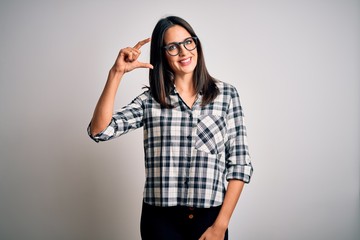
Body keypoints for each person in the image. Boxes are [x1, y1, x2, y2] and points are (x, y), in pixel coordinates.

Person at [88, 16, 253, 240]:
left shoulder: (226, 96)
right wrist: (116, 74)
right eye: (173, 47)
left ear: (196, 44)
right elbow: (99, 131)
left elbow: (240, 164)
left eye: (188, 42)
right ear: (162, 54)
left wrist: (220, 226)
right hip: (160, 223)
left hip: (210, 220)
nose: (184, 52)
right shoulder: (151, 101)